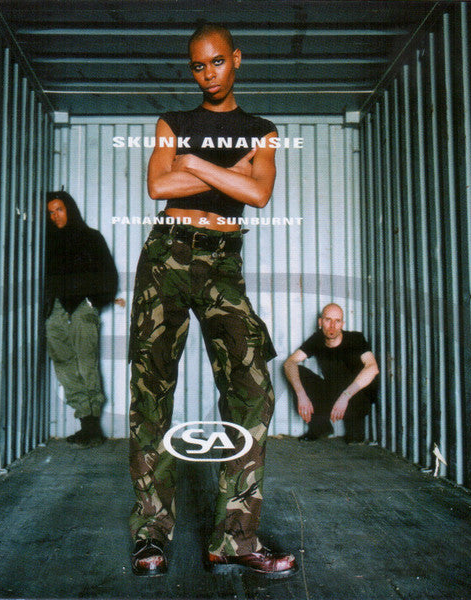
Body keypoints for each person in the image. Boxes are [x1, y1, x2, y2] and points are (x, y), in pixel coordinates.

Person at [127, 23, 297, 578]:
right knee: (151, 391)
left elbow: (259, 193)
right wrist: (229, 173)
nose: (209, 74)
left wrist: (193, 165)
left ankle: (234, 538)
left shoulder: (261, 130)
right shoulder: (172, 122)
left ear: (236, 59)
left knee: (252, 389)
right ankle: (150, 538)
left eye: (218, 62)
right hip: (167, 257)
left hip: (224, 261)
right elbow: (159, 186)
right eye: (198, 66)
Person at [45, 191, 123, 448]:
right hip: (56, 309)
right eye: (50, 212)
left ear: (70, 209)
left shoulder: (91, 237)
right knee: (64, 364)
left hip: (82, 308)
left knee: (86, 363)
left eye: (59, 209)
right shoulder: (47, 241)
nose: (55, 216)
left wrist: (93, 302)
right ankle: (85, 422)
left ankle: (92, 428)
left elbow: (109, 274)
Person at [283, 303, 379, 443]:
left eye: (337, 321)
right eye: (328, 320)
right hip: (334, 391)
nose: (332, 326)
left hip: (356, 396)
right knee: (298, 372)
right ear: (320, 322)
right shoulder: (317, 339)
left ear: (342, 324)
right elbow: (289, 363)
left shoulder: (355, 339)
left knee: (354, 440)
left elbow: (372, 368)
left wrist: (345, 396)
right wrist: (301, 394)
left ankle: (355, 430)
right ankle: (320, 427)